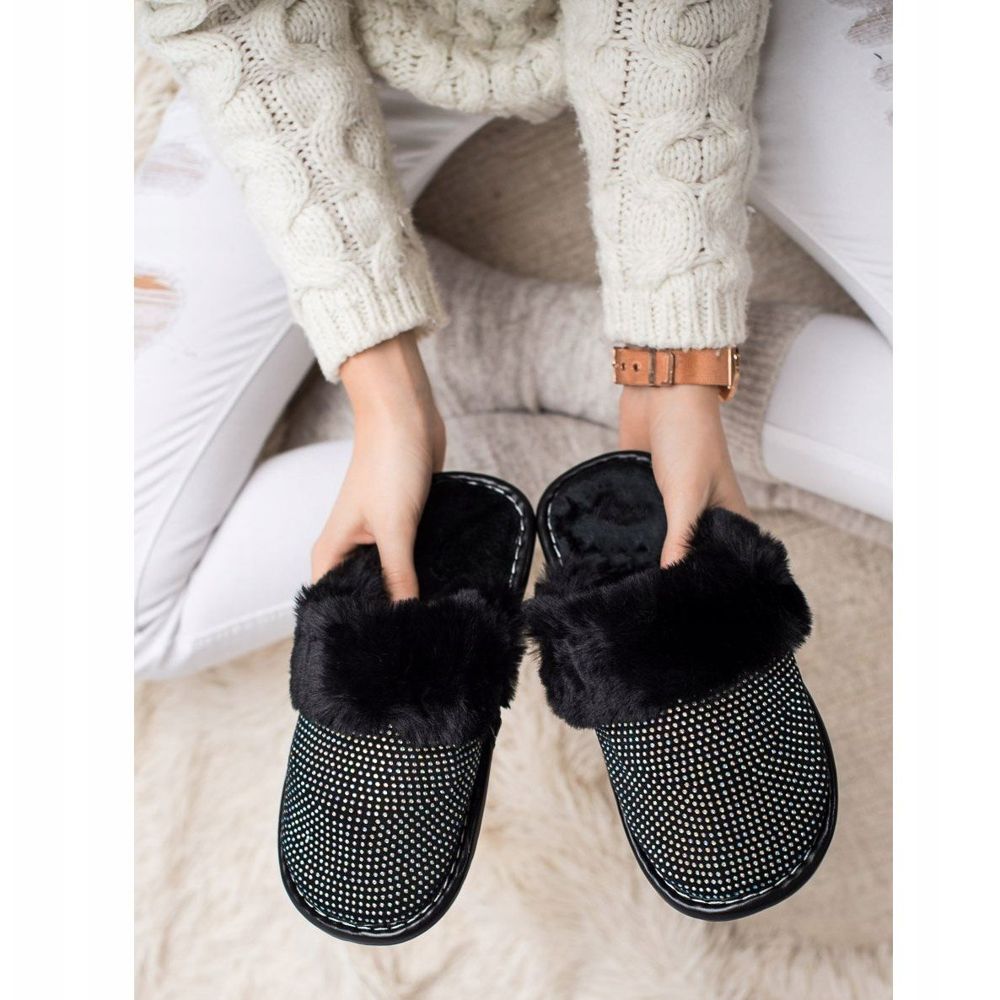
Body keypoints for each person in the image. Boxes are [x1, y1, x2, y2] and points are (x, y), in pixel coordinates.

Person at [136, 0, 890, 678]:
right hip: (318, 58)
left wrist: (674, 362)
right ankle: (538, 378)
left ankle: (562, 375)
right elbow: (225, 16)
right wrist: (387, 398)